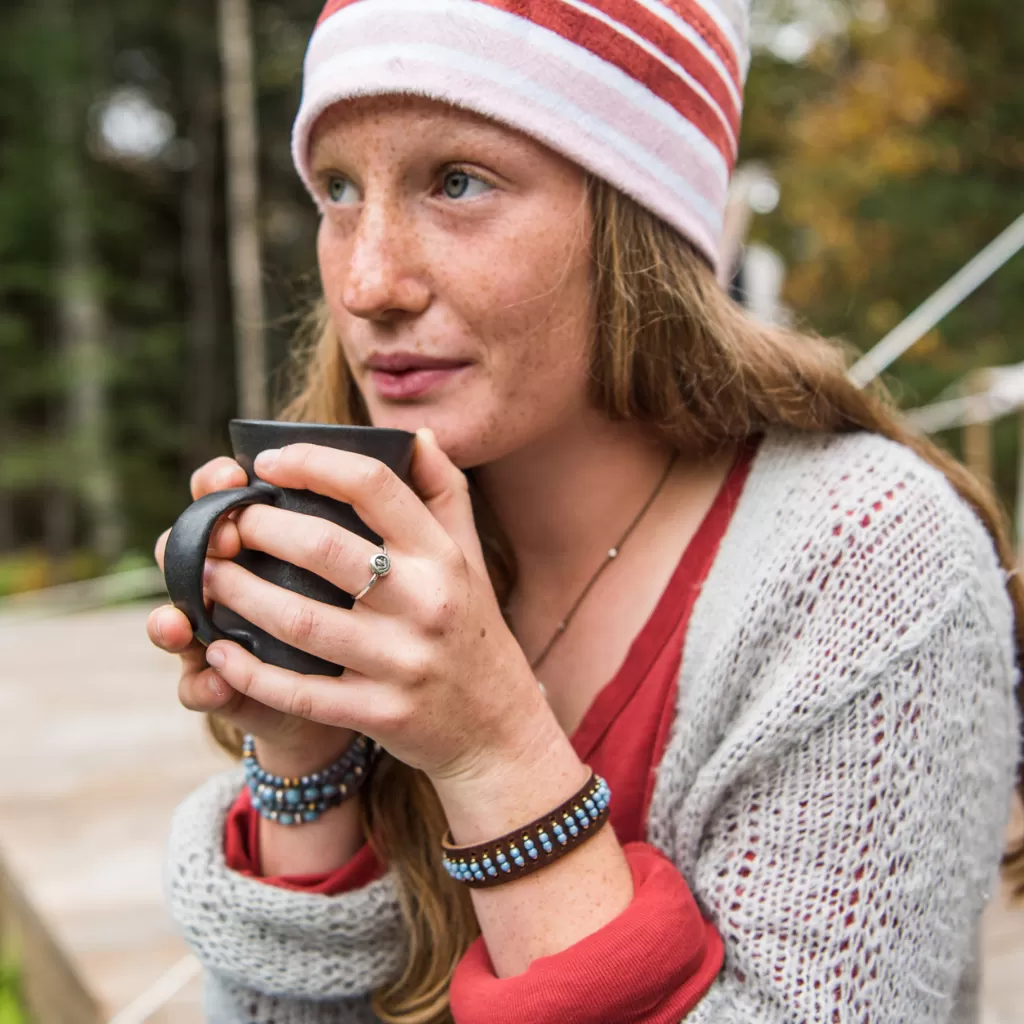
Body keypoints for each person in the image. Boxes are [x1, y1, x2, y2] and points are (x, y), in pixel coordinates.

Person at [148, 2, 1023, 1022]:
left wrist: (493, 753)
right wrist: (305, 769)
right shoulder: (372, 553)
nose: (366, 279)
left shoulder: (870, 560)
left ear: (635, 223)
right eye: (338, 188)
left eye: (456, 181)